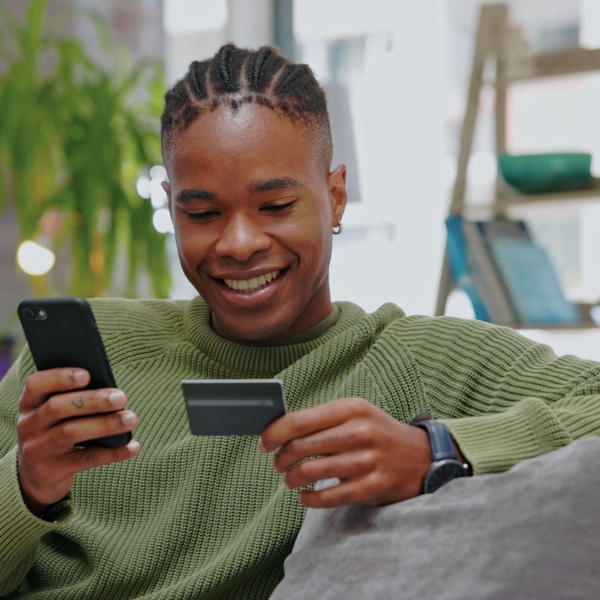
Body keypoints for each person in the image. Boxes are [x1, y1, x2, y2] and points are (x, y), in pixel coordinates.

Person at [1, 44, 600, 599]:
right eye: (204, 212)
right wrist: (28, 486)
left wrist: (437, 450)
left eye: (276, 206)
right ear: (171, 208)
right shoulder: (86, 355)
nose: (237, 243)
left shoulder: (417, 359)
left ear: (335, 195)